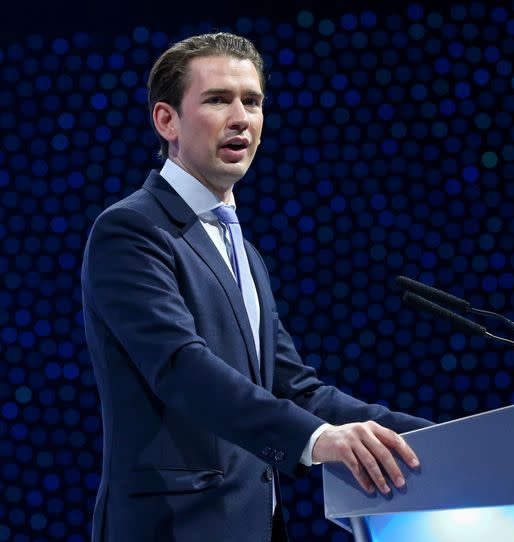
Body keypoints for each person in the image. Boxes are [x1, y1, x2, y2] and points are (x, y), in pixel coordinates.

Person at [81, 32, 432, 542]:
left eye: (253, 101)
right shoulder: (132, 230)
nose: (241, 117)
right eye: (218, 99)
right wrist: (316, 438)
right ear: (167, 121)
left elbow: (294, 388)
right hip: (172, 528)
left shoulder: (243, 252)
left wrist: (436, 438)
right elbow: (182, 368)